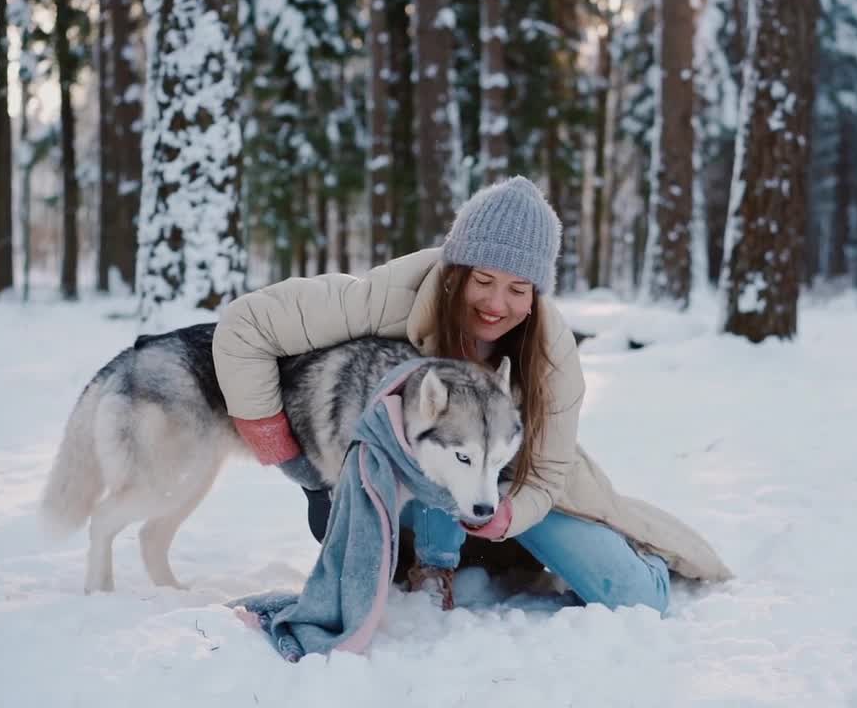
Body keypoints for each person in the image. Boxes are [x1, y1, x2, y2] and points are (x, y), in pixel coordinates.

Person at [212, 176, 730, 613]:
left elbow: (549, 472)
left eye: (518, 289)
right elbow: (244, 325)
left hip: (515, 482)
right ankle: (431, 567)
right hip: (415, 476)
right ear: (456, 272)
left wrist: (512, 516)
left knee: (637, 599)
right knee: (372, 559)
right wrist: (281, 450)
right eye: (483, 280)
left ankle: (633, 551)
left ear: (535, 295)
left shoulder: (552, 353)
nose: (495, 303)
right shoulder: (390, 294)